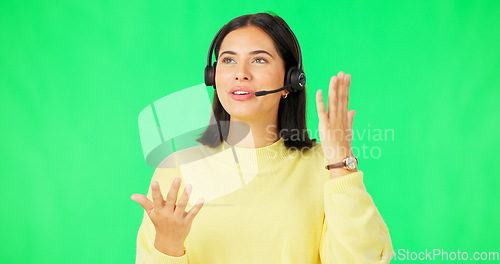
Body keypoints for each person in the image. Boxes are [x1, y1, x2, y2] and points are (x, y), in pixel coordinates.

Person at [131, 12, 394, 264]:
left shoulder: (326, 167)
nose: (241, 73)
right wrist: (168, 246)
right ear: (212, 76)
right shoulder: (177, 169)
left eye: (259, 60)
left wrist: (341, 165)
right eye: (228, 60)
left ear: (291, 81)